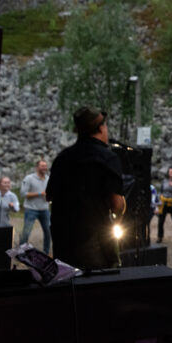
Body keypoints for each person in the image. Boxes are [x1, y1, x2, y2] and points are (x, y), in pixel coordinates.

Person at [47, 107, 125, 270]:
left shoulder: (62, 158)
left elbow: (50, 197)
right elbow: (117, 204)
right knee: (95, 288)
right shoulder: (107, 158)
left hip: (63, 240)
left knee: (68, 287)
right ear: (101, 128)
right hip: (94, 241)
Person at [19, 160, 52, 254]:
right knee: (26, 232)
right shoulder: (29, 178)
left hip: (44, 209)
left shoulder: (48, 179)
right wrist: (39, 194)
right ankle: (21, 252)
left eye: (45, 166)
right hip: (31, 209)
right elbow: (23, 193)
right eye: (42, 166)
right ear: (37, 167)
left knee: (48, 231)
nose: (44, 168)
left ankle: (46, 252)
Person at [156, 167, 172, 243]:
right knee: (160, 222)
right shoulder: (164, 181)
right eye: (170, 172)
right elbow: (161, 191)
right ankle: (160, 236)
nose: (171, 173)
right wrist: (159, 200)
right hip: (164, 203)